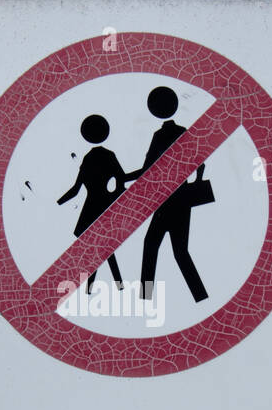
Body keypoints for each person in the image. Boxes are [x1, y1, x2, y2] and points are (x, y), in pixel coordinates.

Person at [136, 86, 209, 302]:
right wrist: (195, 182)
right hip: (182, 200)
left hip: (164, 200)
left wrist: (126, 178)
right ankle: (200, 296)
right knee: (180, 251)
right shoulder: (183, 132)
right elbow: (199, 162)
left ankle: (145, 298)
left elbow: (146, 168)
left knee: (151, 246)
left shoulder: (159, 135)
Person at [57, 113, 129, 291]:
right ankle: (113, 285)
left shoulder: (88, 159)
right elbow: (122, 180)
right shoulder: (108, 156)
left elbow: (76, 190)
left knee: (99, 249)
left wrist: (57, 203)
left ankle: (95, 287)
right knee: (103, 248)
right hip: (105, 205)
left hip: (92, 208)